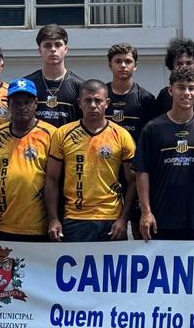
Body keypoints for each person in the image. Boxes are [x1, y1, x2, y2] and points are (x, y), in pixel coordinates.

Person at [135, 66, 194, 328]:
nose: (186, 93)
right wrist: (146, 212)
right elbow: (141, 172)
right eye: (181, 87)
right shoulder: (153, 128)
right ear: (171, 91)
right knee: (158, 284)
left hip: (193, 218)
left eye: (192, 88)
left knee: (193, 285)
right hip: (161, 218)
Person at [0, 78, 58, 328]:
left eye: (27, 102)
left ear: (36, 104)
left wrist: (54, 218)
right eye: (16, 102)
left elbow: (56, 181)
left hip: (37, 224)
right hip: (1, 223)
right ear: (8, 104)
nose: (22, 107)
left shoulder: (51, 134)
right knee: (0, 285)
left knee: (38, 287)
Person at [47, 79, 137, 243]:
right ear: (79, 103)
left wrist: (124, 218)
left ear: (107, 103)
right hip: (75, 219)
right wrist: (53, 219)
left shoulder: (121, 135)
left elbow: (133, 181)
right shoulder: (63, 134)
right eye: (88, 100)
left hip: (112, 220)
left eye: (98, 100)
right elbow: (52, 179)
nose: (93, 105)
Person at [25, 24, 84, 127]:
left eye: (58, 45)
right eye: (47, 45)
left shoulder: (80, 86)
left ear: (66, 50)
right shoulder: (27, 84)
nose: (53, 49)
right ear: (40, 51)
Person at [106, 42, 159, 142]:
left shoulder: (146, 98)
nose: (123, 65)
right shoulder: (100, 95)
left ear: (135, 65)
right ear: (110, 65)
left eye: (128, 61)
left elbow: (151, 136)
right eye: (118, 61)